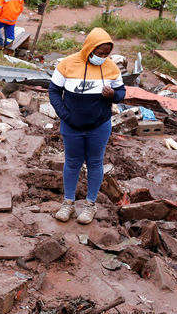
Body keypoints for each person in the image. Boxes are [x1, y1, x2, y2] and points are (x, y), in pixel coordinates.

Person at [48, 28, 126, 225]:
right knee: (72, 162)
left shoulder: (111, 68)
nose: (102, 57)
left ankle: (90, 204)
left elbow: (122, 91)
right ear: (89, 48)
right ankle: (68, 203)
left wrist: (113, 96)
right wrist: (65, 115)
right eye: (99, 52)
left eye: (106, 53)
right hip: (71, 125)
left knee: (95, 163)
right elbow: (54, 92)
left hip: (99, 125)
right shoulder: (67, 64)